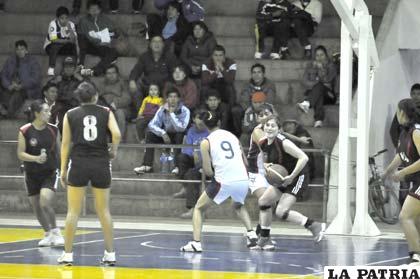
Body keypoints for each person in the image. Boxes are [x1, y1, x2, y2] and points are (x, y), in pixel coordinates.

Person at [57, 81, 121, 266]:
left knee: (73, 212)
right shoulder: (106, 112)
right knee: (103, 211)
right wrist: (114, 151)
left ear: (79, 98)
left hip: (78, 163)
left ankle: (68, 255)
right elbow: (116, 134)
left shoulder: (70, 114)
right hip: (101, 163)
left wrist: (62, 169)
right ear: (96, 95)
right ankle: (110, 254)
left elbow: (65, 144)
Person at [180, 111, 258, 252]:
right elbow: (245, 161)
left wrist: (214, 172)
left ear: (204, 126)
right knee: (238, 205)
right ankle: (251, 234)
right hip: (243, 178)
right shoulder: (232, 136)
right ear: (219, 123)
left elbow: (208, 172)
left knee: (198, 208)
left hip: (224, 180)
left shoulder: (206, 142)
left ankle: (196, 243)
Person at [253, 115, 325, 250]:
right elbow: (264, 157)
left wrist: (292, 176)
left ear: (279, 129)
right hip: (283, 176)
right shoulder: (263, 142)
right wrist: (266, 165)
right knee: (264, 201)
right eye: (267, 125)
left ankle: (313, 225)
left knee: (281, 212)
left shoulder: (283, 142)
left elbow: (304, 157)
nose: (269, 128)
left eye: (273, 126)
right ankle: (264, 238)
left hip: (298, 176)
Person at [17, 100, 64, 247]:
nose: (49, 113)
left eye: (49, 111)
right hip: (31, 173)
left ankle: (56, 232)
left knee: (44, 201)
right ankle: (47, 233)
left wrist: (63, 169)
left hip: (50, 172)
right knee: (36, 206)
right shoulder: (25, 130)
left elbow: (60, 150)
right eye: (45, 111)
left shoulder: (54, 130)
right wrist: (36, 159)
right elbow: (20, 154)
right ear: (37, 113)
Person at [382, 99, 420, 266]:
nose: (397, 114)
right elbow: (401, 155)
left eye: (398, 111)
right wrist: (387, 171)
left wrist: (403, 172)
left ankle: (416, 256)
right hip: (416, 181)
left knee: (405, 216)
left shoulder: (416, 132)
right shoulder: (404, 132)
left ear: (402, 112)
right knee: (415, 219)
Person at [134, 86, 190, 174]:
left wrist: (171, 114)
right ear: (167, 99)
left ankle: (177, 167)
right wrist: (162, 133)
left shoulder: (185, 110)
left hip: (178, 135)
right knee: (150, 134)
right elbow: (152, 124)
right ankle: (147, 165)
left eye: (175, 97)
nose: (172, 99)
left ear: (179, 99)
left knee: (180, 135)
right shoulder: (162, 109)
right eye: (170, 97)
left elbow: (181, 128)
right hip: (166, 135)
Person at [247, 104, 276, 236]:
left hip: (269, 172)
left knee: (267, 204)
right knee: (266, 202)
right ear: (258, 119)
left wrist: (299, 139)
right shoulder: (257, 131)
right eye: (261, 115)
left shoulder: (274, 129)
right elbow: (265, 148)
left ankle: (259, 232)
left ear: (272, 115)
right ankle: (263, 236)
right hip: (256, 172)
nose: (264, 117)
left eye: (267, 114)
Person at [174, 109, 209, 218]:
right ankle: (185, 186)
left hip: (207, 163)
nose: (201, 121)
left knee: (191, 174)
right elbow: (187, 148)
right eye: (198, 118)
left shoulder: (209, 131)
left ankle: (193, 209)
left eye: (203, 118)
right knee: (182, 158)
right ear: (194, 119)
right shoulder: (191, 131)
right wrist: (193, 154)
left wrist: (201, 157)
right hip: (194, 160)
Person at [202, 45, 243, 137]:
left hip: (225, 90)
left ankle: (230, 108)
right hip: (212, 88)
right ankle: (207, 104)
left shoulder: (231, 63)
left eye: (220, 55)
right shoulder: (206, 63)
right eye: (215, 55)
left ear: (224, 56)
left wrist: (222, 69)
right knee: (205, 88)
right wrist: (216, 72)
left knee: (229, 87)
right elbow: (205, 81)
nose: (218, 58)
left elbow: (230, 80)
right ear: (212, 56)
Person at [389, 84, 420, 205]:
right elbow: (393, 130)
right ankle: (404, 208)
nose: (416, 96)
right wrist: (401, 148)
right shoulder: (403, 111)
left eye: (418, 94)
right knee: (404, 187)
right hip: (407, 156)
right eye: (414, 94)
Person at [129, 35, 178, 111]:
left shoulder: (170, 56)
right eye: (154, 42)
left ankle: (165, 113)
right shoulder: (144, 56)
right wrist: (132, 80)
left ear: (163, 45)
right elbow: (136, 70)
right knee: (136, 85)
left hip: (164, 87)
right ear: (150, 44)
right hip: (148, 86)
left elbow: (175, 73)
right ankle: (141, 113)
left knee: (170, 86)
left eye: (159, 42)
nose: (156, 44)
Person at [297, 45, 337, 128]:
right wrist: (316, 84)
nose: (319, 58)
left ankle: (307, 103)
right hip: (315, 94)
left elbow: (327, 80)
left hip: (329, 95)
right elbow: (304, 81)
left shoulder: (331, 66)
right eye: (317, 55)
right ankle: (318, 121)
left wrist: (321, 69)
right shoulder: (311, 66)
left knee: (319, 87)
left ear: (326, 55)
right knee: (319, 93)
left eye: (322, 55)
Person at [1, 40, 42, 119]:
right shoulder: (10, 60)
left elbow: (35, 78)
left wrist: (22, 85)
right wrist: (8, 85)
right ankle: (4, 109)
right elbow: (3, 74)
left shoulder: (33, 61)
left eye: (22, 49)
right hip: (11, 86)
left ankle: (8, 114)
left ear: (26, 50)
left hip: (26, 89)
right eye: (17, 49)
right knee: (5, 93)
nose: (20, 51)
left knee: (17, 95)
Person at [77, 0, 119, 77]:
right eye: (92, 9)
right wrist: (100, 41)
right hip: (89, 45)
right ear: (88, 10)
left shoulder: (105, 20)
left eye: (96, 9)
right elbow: (86, 36)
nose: (94, 12)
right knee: (82, 37)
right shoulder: (83, 21)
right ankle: (80, 64)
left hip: (102, 46)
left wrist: (107, 40)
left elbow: (113, 33)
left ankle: (94, 71)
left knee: (114, 52)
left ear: (100, 10)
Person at [49, 56, 83, 133]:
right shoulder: (58, 79)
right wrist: (54, 82)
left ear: (75, 68)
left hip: (75, 106)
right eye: (66, 66)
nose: (68, 69)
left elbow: (92, 91)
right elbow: (45, 90)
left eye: (71, 66)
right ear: (63, 68)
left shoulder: (80, 79)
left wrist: (81, 79)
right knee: (59, 117)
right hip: (60, 106)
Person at [96, 65, 131, 138]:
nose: (111, 75)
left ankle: (119, 141)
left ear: (117, 74)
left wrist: (115, 103)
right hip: (105, 107)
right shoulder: (102, 84)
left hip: (121, 108)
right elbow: (97, 97)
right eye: (108, 73)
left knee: (119, 113)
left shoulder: (123, 83)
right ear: (105, 75)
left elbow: (127, 98)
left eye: (113, 73)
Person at [44, 6, 78, 76]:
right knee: (55, 45)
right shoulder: (53, 24)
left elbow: (73, 40)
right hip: (51, 47)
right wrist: (66, 41)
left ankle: (73, 67)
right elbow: (54, 40)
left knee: (73, 47)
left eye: (66, 18)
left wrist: (70, 29)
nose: (64, 20)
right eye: (62, 18)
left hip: (64, 47)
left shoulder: (71, 24)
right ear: (57, 18)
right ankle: (51, 68)